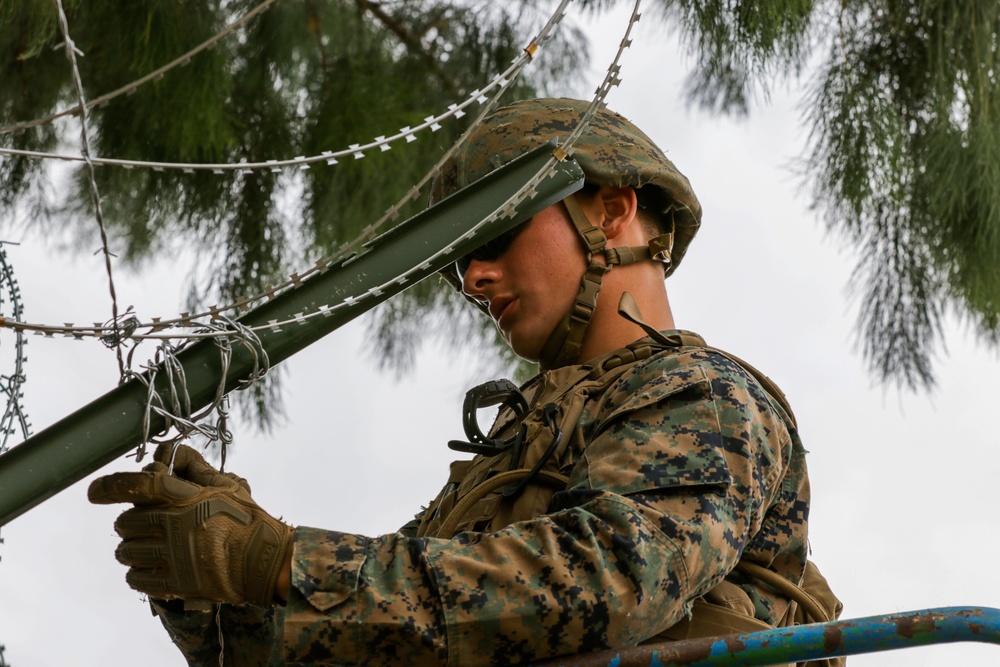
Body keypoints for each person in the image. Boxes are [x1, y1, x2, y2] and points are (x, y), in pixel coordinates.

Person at [89, 98, 842, 666]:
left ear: (612, 208)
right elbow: (363, 635)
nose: (476, 278)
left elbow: (611, 577)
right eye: (459, 263)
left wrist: (285, 560)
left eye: (495, 233)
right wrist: (212, 577)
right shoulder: (503, 468)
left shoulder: (703, 396)